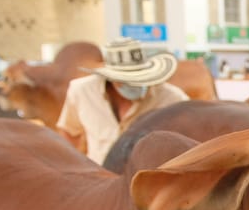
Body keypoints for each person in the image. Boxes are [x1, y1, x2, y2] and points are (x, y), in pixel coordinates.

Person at [56, 37, 188, 164]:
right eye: (125, 80)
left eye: (138, 78)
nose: (133, 84)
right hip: (100, 176)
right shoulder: (82, 92)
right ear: (110, 77)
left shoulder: (172, 98)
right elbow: (69, 133)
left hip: (147, 176)